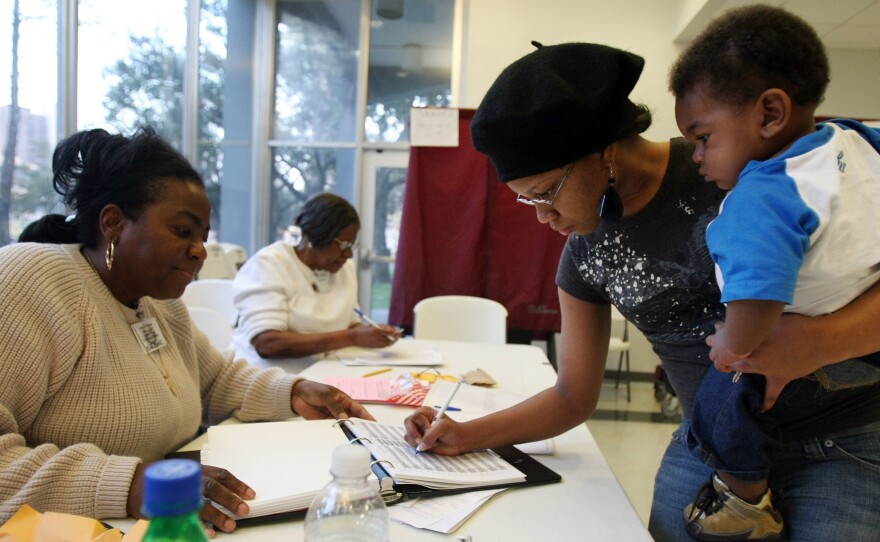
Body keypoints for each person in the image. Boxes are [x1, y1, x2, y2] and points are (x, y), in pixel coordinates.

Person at [401, 41, 880, 542]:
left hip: (838, 438)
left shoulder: (733, 164)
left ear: (603, 150)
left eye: (545, 192)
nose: (543, 216)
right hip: (710, 445)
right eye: (527, 201)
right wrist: (464, 434)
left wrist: (820, 343)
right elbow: (572, 395)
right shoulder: (586, 252)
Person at [0, 127, 374, 535]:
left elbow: (215, 379)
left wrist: (294, 392)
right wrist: (129, 484)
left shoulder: (156, 301)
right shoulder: (35, 279)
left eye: (202, 237)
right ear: (113, 223)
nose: (199, 251)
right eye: (183, 231)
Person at [667, 6, 880, 540]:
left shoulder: (763, 193)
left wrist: (732, 346)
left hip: (800, 373)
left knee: (722, 398)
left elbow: (757, 295)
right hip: (867, 356)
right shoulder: (856, 140)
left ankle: (742, 499)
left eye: (702, 138)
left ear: (769, 114)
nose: (696, 156)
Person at [231, 193, 401, 373]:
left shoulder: (345, 269)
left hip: (322, 372)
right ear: (313, 235)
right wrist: (352, 337)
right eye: (343, 245)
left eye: (351, 246)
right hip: (267, 380)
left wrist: (371, 333)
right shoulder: (269, 265)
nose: (349, 255)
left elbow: (351, 324)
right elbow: (267, 344)